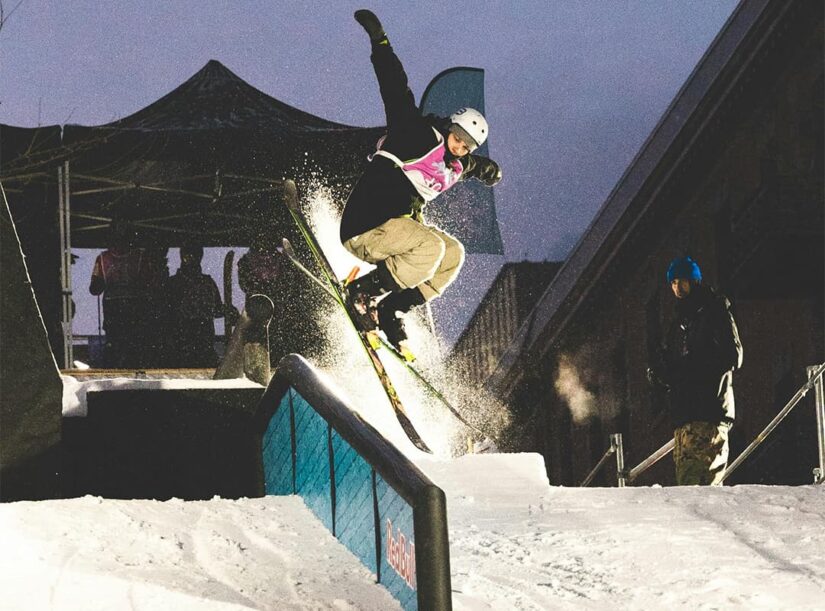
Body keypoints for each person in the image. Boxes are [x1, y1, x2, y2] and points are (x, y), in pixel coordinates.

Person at [340, 9, 503, 358]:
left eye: (466, 147)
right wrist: (380, 42)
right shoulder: (415, 133)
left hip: (393, 234)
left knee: (452, 254)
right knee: (431, 247)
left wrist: (487, 169)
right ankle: (362, 292)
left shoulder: (455, 164)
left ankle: (393, 309)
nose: (458, 148)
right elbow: (395, 88)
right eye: (457, 139)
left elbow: (471, 166)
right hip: (365, 225)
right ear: (449, 127)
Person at [647, 256, 743, 486]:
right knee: (690, 491)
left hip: (707, 414)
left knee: (698, 492)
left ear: (695, 281)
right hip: (685, 419)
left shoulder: (714, 310)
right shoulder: (680, 323)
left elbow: (733, 355)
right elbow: (679, 369)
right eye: (673, 283)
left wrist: (687, 369)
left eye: (683, 281)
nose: (677, 288)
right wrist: (663, 374)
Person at [89, 220, 151, 367]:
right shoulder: (138, 256)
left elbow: (94, 289)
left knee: (121, 349)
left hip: (123, 311)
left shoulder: (104, 258)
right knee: (126, 349)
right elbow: (94, 289)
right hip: (123, 311)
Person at [166, 245, 225, 367]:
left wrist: (229, 311)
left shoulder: (208, 282)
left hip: (204, 342)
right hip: (180, 342)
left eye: (196, 254)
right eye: (188, 254)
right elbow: (166, 313)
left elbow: (218, 309)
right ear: (182, 256)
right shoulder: (173, 284)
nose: (192, 258)